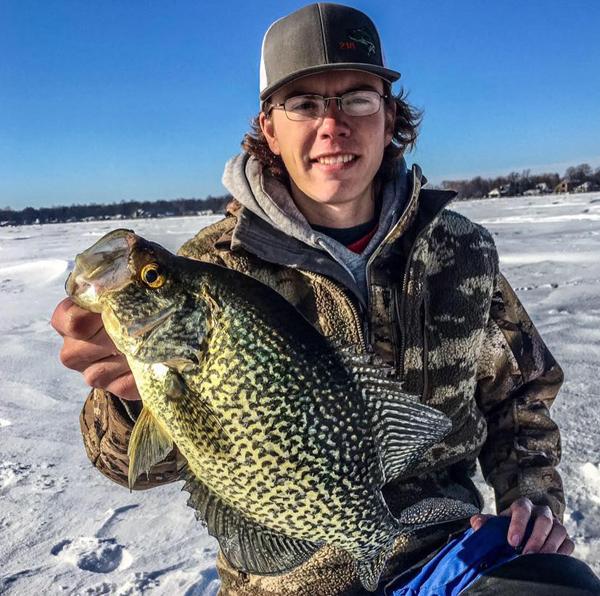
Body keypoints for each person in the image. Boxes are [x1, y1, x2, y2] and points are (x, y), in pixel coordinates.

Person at [51, 3, 600, 595]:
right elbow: (125, 464)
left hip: (446, 545)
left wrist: (533, 500)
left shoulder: (461, 249)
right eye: (305, 103)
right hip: (289, 579)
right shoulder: (211, 269)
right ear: (269, 127)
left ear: (390, 117)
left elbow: (518, 391)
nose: (332, 125)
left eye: (357, 98)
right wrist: (129, 395)